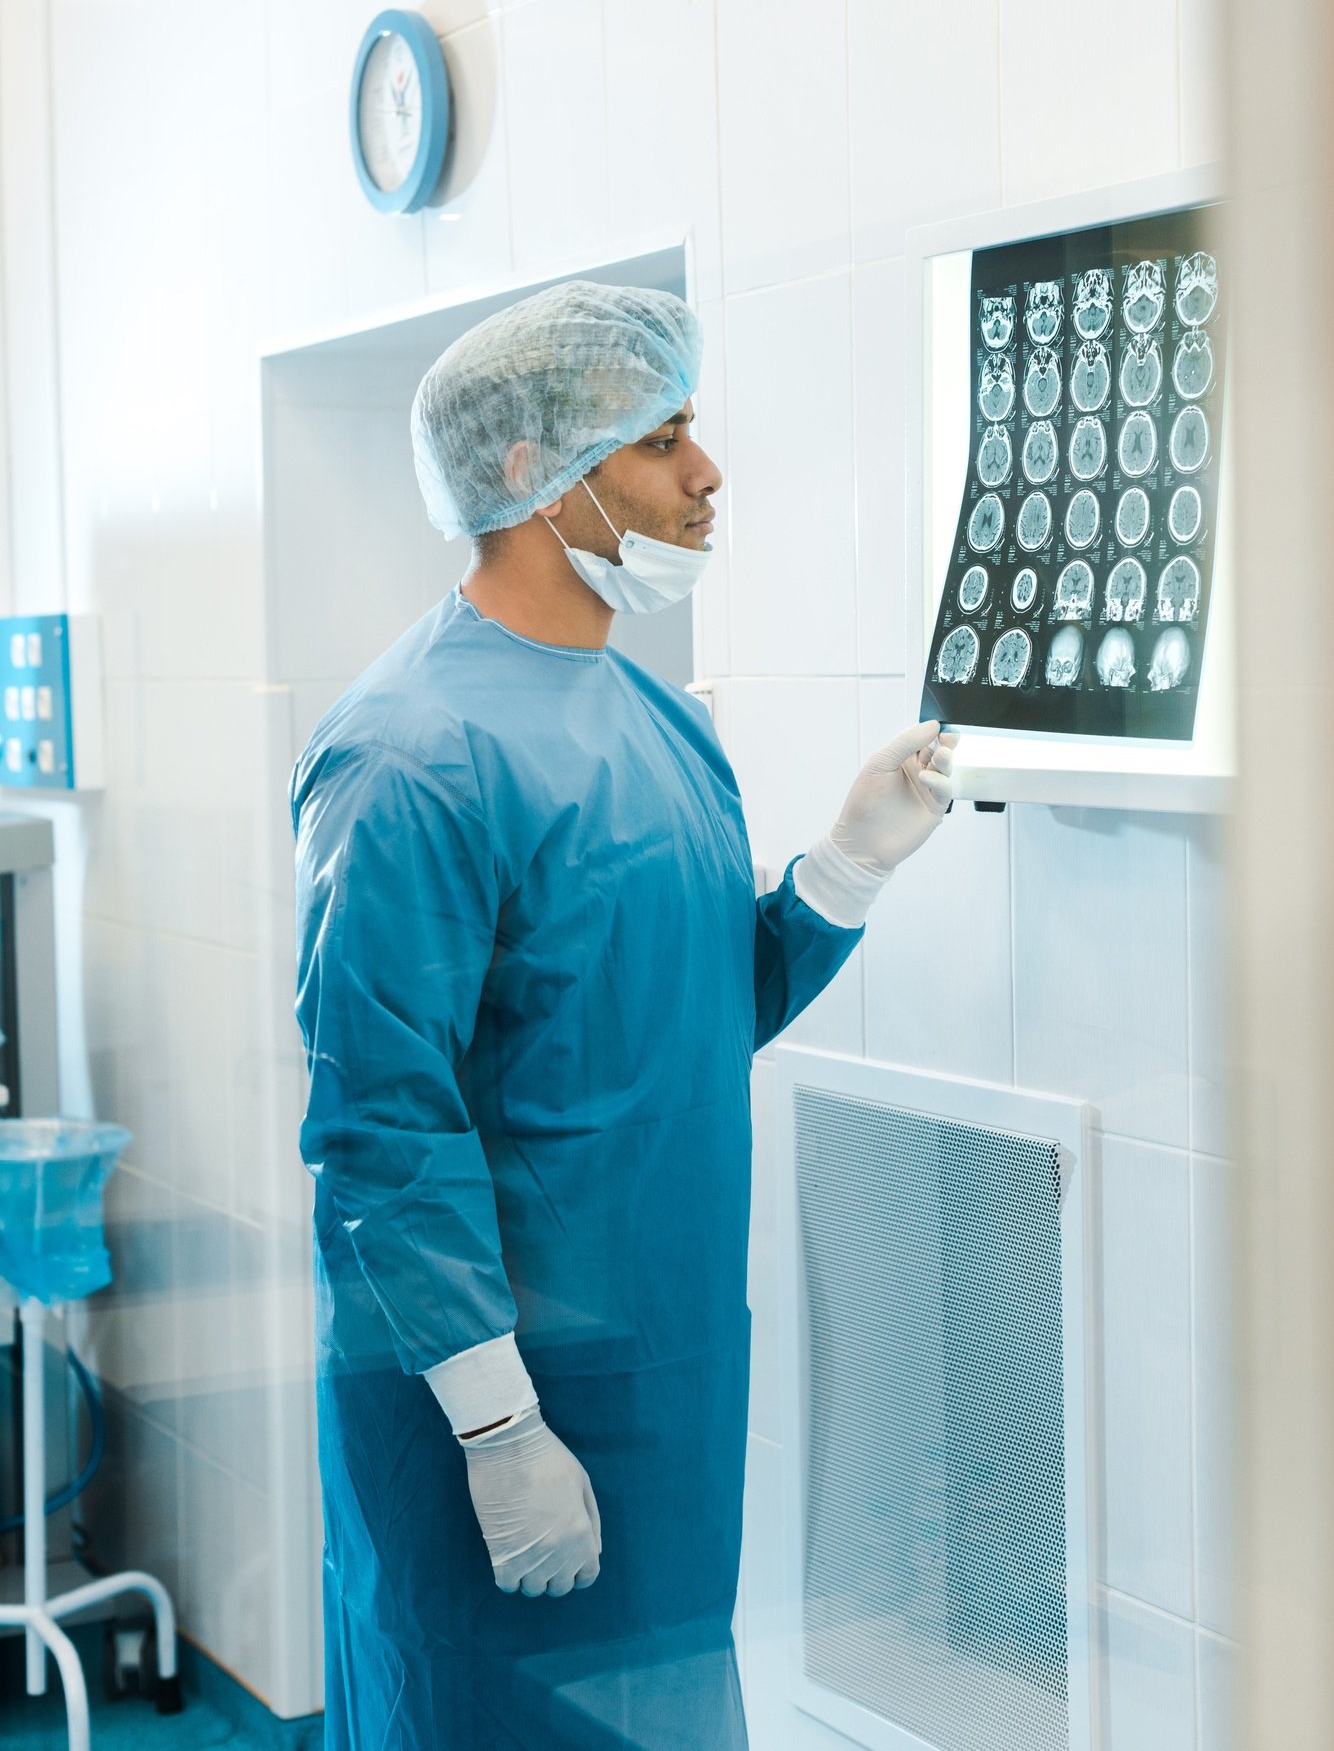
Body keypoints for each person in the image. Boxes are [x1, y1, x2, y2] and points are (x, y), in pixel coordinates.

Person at [291, 281, 956, 1751]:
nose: (705, 476)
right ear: (535, 472)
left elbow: (680, 1023)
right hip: (492, 1388)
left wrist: (840, 874)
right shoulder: (408, 759)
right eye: (662, 441)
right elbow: (380, 1129)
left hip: (664, 1369)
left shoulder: (662, 725)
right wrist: (493, 1426)